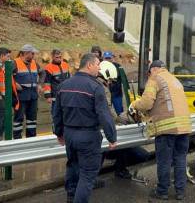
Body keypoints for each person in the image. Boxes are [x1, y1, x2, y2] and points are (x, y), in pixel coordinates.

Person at [53, 53, 117, 203]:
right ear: (89, 65)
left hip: (69, 134)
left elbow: (56, 112)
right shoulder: (96, 87)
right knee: (87, 175)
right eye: (97, 65)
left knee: (73, 166)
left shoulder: (64, 85)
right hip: (88, 136)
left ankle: (70, 196)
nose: (99, 68)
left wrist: (59, 133)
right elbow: (104, 115)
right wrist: (112, 138)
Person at [129, 60, 192, 201]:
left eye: (149, 72)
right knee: (180, 159)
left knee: (164, 161)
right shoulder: (174, 80)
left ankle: (162, 191)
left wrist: (134, 104)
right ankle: (180, 191)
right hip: (184, 127)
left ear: (154, 69)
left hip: (167, 128)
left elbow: (146, 103)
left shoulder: (155, 78)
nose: (149, 75)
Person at [96, 61, 149, 180]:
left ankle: (118, 169)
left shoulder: (93, 84)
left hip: (95, 129)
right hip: (99, 130)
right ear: (105, 74)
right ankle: (114, 171)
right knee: (129, 149)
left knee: (122, 146)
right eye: (110, 80)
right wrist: (121, 119)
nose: (110, 83)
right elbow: (108, 110)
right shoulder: (101, 88)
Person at [12, 44, 44, 139]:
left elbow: (43, 73)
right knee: (19, 119)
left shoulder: (34, 63)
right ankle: (17, 139)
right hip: (21, 96)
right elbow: (6, 75)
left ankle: (31, 138)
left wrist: (39, 84)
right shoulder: (14, 63)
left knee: (32, 119)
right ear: (25, 53)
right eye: (32, 53)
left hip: (33, 96)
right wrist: (14, 83)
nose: (34, 55)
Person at [43, 49, 71, 114]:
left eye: (60, 57)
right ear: (52, 57)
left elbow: (69, 79)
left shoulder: (65, 65)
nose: (59, 59)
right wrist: (48, 96)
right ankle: (55, 124)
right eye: (57, 57)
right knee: (56, 113)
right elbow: (47, 83)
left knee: (66, 113)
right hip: (55, 95)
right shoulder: (48, 67)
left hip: (65, 94)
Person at [103, 51, 130, 115]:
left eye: (109, 58)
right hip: (105, 95)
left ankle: (123, 124)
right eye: (106, 58)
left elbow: (124, 79)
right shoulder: (100, 67)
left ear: (112, 58)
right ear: (103, 59)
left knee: (120, 112)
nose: (108, 60)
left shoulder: (118, 67)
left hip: (116, 93)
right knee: (105, 112)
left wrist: (128, 91)